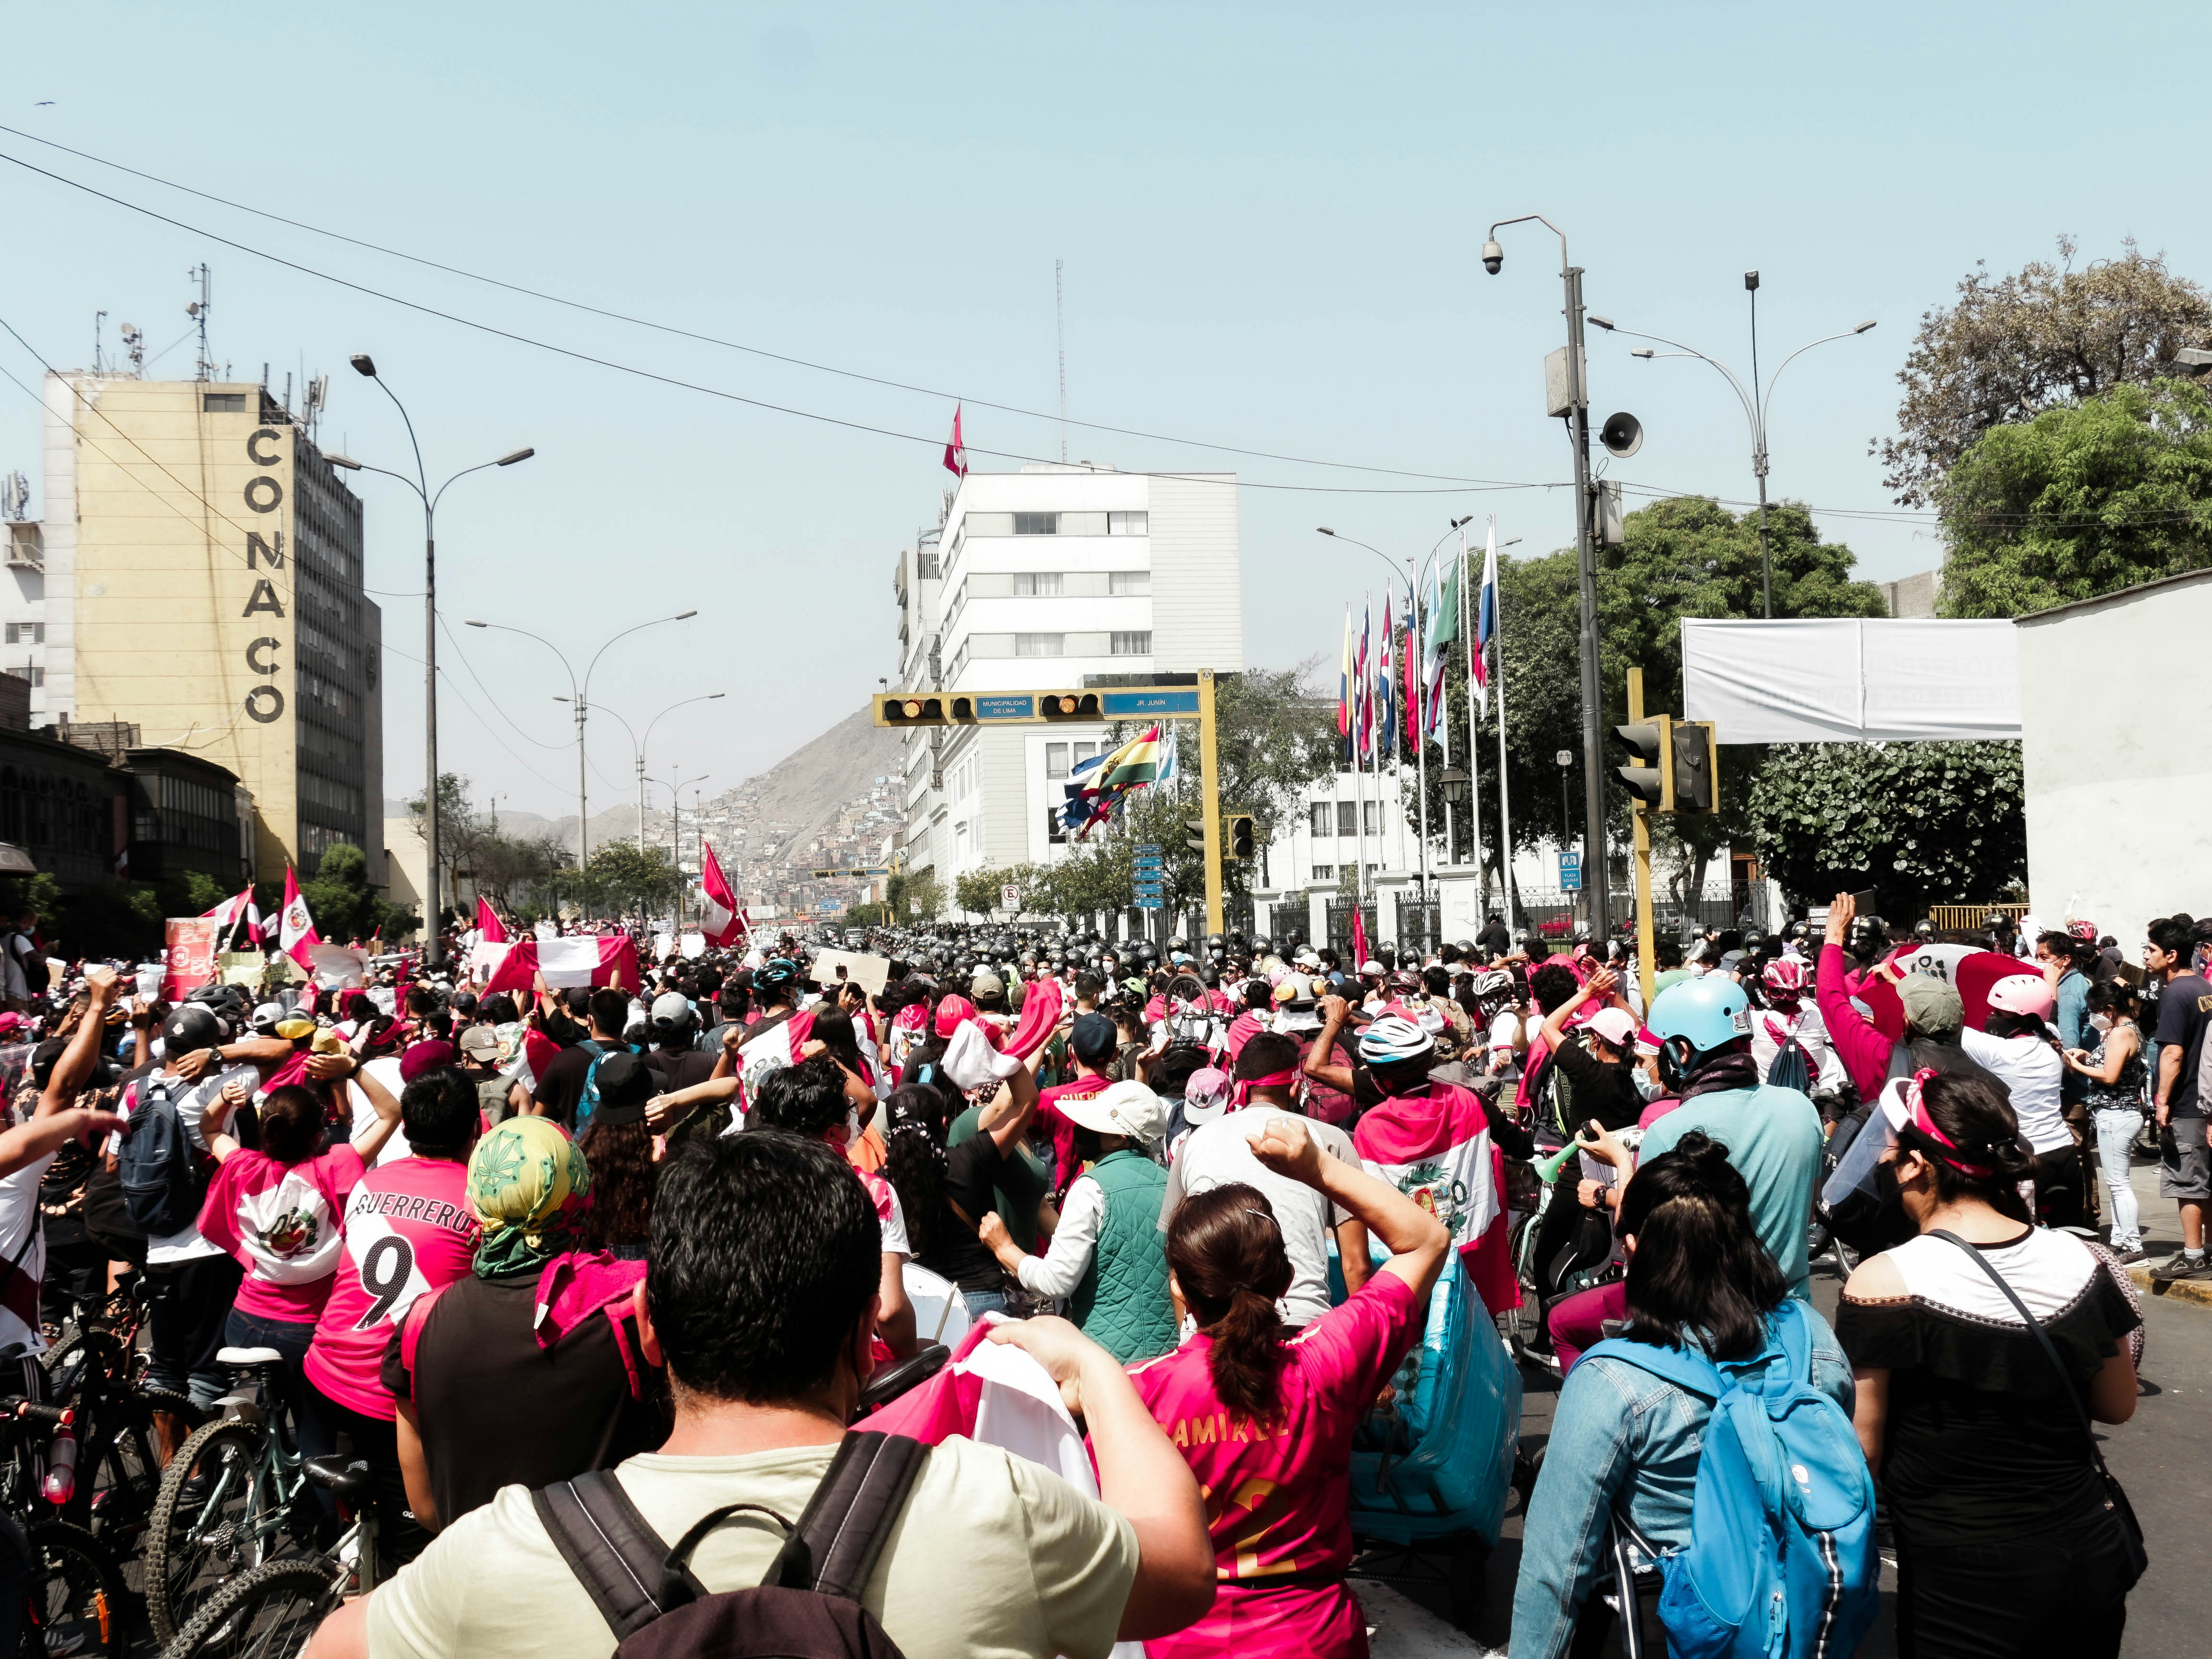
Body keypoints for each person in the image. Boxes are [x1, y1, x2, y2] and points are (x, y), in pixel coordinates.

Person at [316, 1129, 1215, 1659]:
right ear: (862, 1335)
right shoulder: (993, 1508)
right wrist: (1094, 1370)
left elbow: (326, 1645)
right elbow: (1181, 1568)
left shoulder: (497, 1556)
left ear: (651, 1329)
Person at [1511, 1132, 1856, 1659]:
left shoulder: (1614, 1378)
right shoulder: (1812, 1336)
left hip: (1686, 1628)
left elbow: (1557, 1564)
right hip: (1806, 1620)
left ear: (1633, 1250)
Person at [1839, 1068, 2141, 1659]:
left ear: (1919, 1166)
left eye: (1892, 1153)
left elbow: (1862, 1453)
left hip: (1964, 1572)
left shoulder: (1884, 1281)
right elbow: (2117, 1405)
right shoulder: (2083, 1257)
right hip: (2089, 1548)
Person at [1130, 1112, 1450, 1659]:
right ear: (1286, 1279)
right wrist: (1319, 1168)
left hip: (1183, 1644)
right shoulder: (1330, 1360)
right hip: (1316, 1638)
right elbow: (1427, 1240)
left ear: (1180, 1288)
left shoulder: (1132, 1396)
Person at [381, 1116, 668, 1531]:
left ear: (476, 1202)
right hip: (604, 1563)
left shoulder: (421, 1322)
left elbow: (426, 1509)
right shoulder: (629, 1306)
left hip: (470, 1564)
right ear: (580, 1195)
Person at [304, 1066, 482, 1557]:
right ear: (475, 1128)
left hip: (326, 1370)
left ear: (405, 1128)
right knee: (417, 1548)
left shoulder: (370, 1181)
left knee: (355, 1508)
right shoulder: (480, 1199)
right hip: (393, 1397)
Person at [195, 1067, 405, 1463]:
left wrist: (224, 1097)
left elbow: (209, 1128)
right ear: (318, 1134)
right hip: (302, 1330)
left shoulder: (242, 1166)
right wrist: (353, 1069)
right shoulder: (335, 1165)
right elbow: (390, 1113)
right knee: (317, 1441)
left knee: (273, 1422)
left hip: (242, 1322)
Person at [1164, 1031, 1372, 1329]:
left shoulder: (1191, 1145)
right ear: (1296, 1088)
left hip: (1210, 1330)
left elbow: (1176, 1259)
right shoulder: (1330, 1140)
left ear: (1240, 1085)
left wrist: (1188, 1337)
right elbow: (1357, 1266)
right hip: (1300, 1324)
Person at [1637, 974, 1824, 1300]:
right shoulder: (1801, 1108)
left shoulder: (1666, 1133)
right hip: (1795, 1310)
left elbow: (1649, 1246)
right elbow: (1807, 1214)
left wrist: (1614, 1170)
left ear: (1683, 1052)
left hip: (1711, 1317)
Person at [980, 1080, 1175, 1363]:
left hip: (1109, 1359)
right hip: (1169, 1352)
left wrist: (1004, 1248)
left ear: (1119, 1138)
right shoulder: (1170, 1180)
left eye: (1094, 1124)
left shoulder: (1091, 1188)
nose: (1080, 1129)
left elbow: (1057, 1281)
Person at [1964, 973, 2080, 1225]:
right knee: (2073, 1234)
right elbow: (2047, 1018)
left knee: (2020, 1234)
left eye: (2000, 1012)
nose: (1991, 1015)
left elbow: (1944, 1022)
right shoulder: (2051, 1042)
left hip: (2026, 1158)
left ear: (2024, 1019)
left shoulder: (1999, 1051)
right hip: (2065, 1153)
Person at [2145, 916, 2212, 1281]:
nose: (2146, 956)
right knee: (2205, 1180)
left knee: (2188, 1183)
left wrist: (2162, 1100)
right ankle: (2208, 1249)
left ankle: (2193, 1255)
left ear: (2171, 956)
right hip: (2205, 1101)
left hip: (2187, 1102)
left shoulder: (2174, 993)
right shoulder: (2204, 986)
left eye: (2151, 950)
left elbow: (2172, 1053)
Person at [2068, 981, 2148, 1263]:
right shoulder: (2124, 1030)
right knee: (2116, 1184)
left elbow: (2111, 1076)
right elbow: (2114, 1065)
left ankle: (2133, 1245)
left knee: (2119, 1184)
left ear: (2110, 1009)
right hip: (2118, 1114)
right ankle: (2120, 1239)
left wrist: (2078, 1066)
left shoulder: (2121, 1033)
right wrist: (2089, 1057)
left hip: (2117, 1115)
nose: (2094, 1016)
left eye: (2096, 1011)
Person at [575, 1052, 657, 1260]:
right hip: (651, 1264)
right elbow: (727, 1087)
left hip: (598, 1261)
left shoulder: (584, 1155)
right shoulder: (659, 1156)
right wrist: (673, 1101)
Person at [530, 988, 635, 1129]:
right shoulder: (642, 1059)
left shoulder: (563, 1060)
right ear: (626, 1020)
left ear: (591, 1019)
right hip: (627, 1141)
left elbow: (537, 1119)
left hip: (578, 1140)